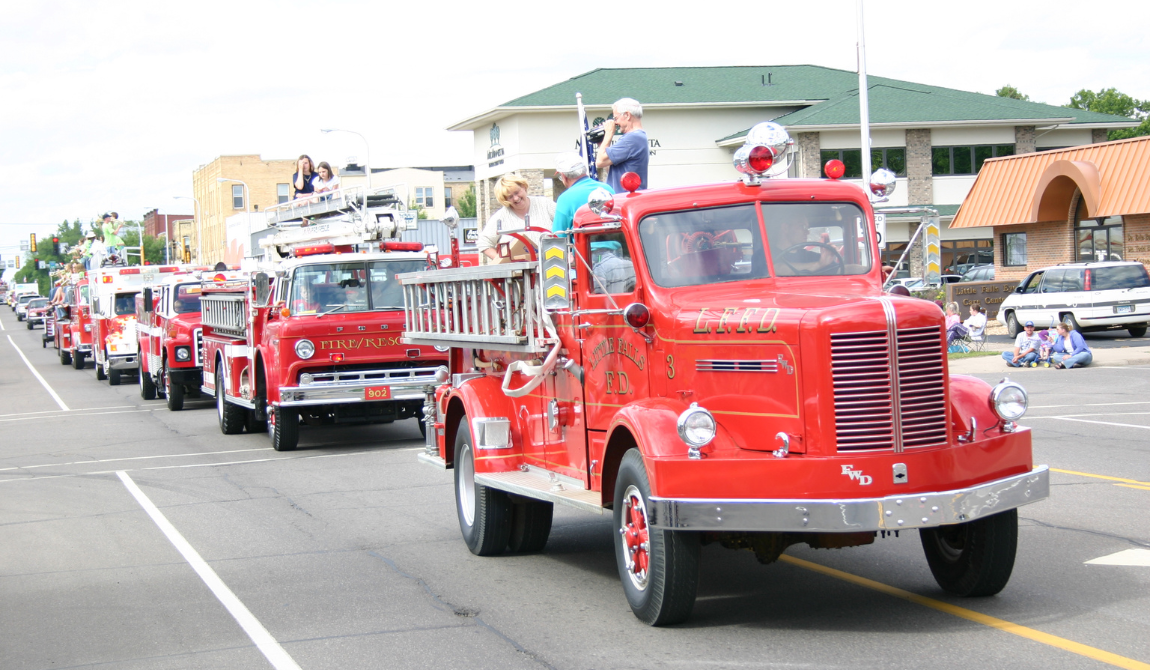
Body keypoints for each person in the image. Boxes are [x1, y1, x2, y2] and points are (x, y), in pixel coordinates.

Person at [476, 175, 556, 265]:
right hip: (518, 275)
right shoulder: (500, 216)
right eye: (510, 197)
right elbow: (483, 242)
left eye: (517, 192)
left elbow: (565, 227)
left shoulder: (545, 204)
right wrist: (502, 261)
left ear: (523, 187)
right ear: (504, 200)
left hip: (551, 266)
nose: (516, 198)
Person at [595, 98, 649, 194]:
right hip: (624, 198)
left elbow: (599, 162)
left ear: (627, 115)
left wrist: (609, 134)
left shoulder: (633, 138)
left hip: (626, 200)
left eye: (615, 118)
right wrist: (601, 142)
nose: (615, 123)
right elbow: (607, 165)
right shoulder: (636, 137)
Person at [553, 153, 607, 234]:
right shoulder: (607, 189)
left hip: (582, 246)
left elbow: (558, 235)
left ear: (564, 176)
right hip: (618, 245)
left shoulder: (565, 198)